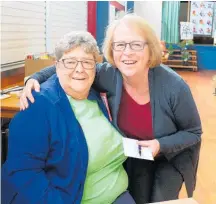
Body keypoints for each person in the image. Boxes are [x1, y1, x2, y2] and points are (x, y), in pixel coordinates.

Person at [20, 14, 202, 204]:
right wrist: (34, 78)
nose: (127, 52)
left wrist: (159, 145)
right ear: (112, 50)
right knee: (137, 197)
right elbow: (70, 67)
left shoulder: (174, 86)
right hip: (135, 153)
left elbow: (194, 132)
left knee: (159, 199)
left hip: (169, 156)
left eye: (136, 45)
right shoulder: (109, 74)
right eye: (120, 45)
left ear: (150, 49)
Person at [2, 31, 136, 204]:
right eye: (70, 62)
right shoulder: (37, 105)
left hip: (118, 194)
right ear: (57, 66)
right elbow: (23, 173)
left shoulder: (96, 94)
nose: (79, 69)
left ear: (95, 67)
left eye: (87, 62)